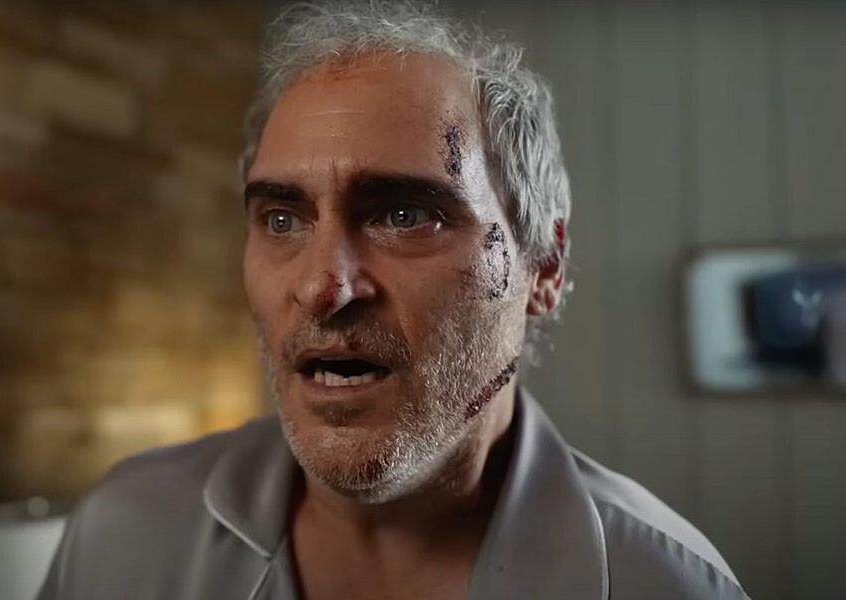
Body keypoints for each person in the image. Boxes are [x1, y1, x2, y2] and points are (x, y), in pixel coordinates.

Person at [39, 2, 749, 598]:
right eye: (282, 219)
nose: (323, 286)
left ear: (544, 264)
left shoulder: (667, 583)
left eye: (405, 215)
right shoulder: (122, 535)